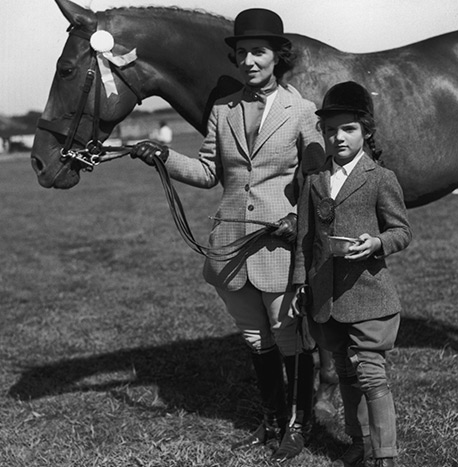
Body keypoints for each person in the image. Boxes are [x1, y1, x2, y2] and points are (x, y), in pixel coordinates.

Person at [130, 8, 325, 461]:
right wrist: (163, 155)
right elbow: (207, 172)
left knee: (290, 335)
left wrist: (301, 218)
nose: (249, 61)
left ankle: (300, 423)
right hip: (231, 245)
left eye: (258, 52)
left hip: (279, 242)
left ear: (279, 56)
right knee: (257, 339)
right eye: (242, 54)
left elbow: (316, 178)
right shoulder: (222, 110)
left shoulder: (303, 111)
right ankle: (272, 419)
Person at [292, 81, 412, 467]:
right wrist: (299, 283)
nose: (337, 137)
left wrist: (376, 243)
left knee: (371, 374)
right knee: (345, 371)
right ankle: (358, 442)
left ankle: (385, 455)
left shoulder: (380, 178)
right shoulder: (314, 180)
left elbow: (401, 231)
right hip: (326, 293)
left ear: (366, 131)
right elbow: (305, 237)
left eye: (348, 129)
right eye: (329, 130)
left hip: (368, 293)